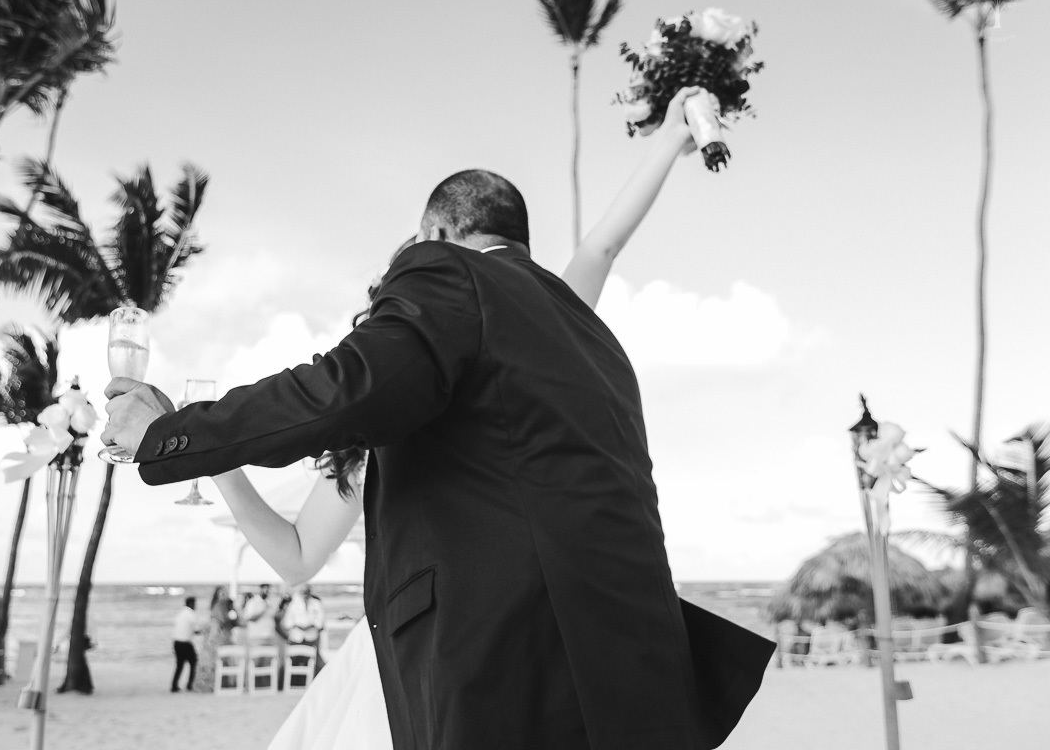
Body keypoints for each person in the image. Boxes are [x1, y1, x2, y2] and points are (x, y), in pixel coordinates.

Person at [104, 86, 774, 749]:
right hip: (624, 663)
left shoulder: (455, 277)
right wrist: (664, 143)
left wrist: (173, 435)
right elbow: (599, 248)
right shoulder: (572, 329)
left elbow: (345, 388)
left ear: (436, 238)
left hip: (490, 661)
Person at [192, 586, 240, 693]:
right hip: (215, 638)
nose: (223, 596)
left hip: (222, 637)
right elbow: (219, 622)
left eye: (225, 593)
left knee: (221, 662)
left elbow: (237, 622)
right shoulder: (218, 607)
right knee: (215, 662)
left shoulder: (226, 608)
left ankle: (222, 684)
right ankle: (214, 685)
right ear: (217, 595)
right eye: (221, 593)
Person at [170, 595, 202, 692]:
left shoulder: (180, 613)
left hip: (176, 642)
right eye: (194, 604)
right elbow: (196, 629)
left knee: (179, 665)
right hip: (185, 642)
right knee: (194, 662)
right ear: (191, 604)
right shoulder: (190, 613)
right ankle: (189, 684)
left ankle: (174, 685)